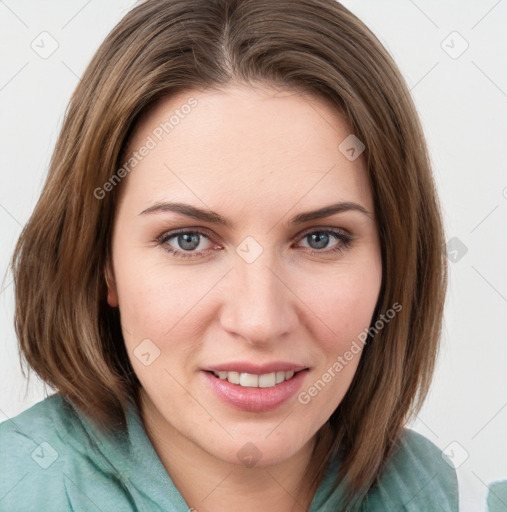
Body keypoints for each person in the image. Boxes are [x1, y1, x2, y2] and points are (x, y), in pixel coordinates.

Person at [0, 0, 458, 510]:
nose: (259, 321)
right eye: (188, 240)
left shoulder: (425, 486)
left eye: (320, 238)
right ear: (103, 262)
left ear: (391, 261)